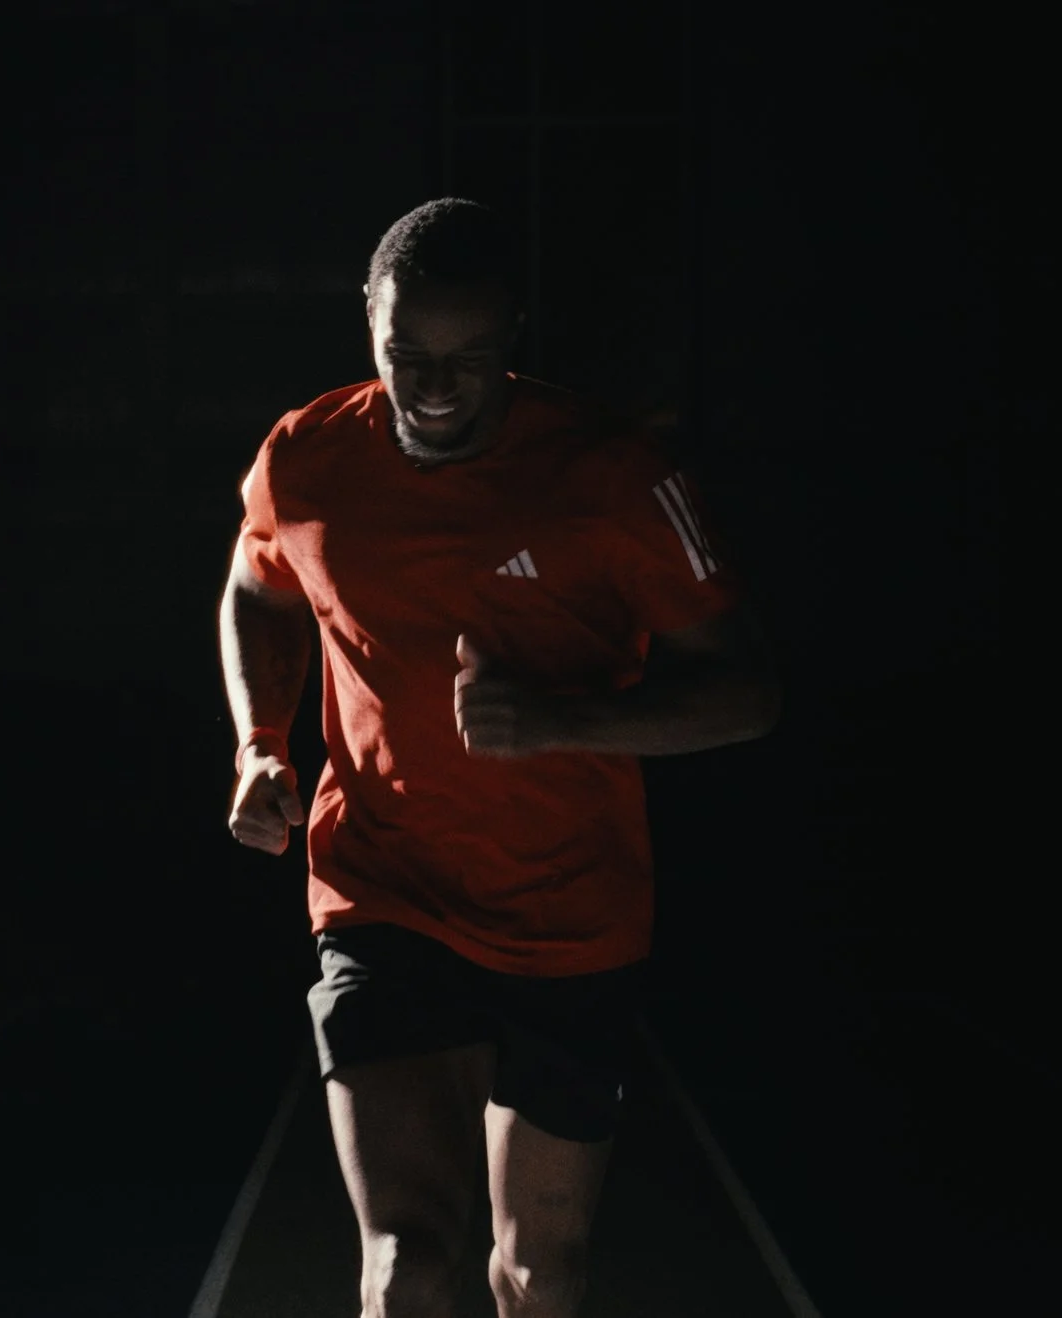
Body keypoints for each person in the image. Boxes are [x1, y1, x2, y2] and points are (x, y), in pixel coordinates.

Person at [217, 197, 783, 1318]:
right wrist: (257, 744)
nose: (432, 387)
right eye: (406, 356)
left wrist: (567, 721)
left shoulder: (610, 477)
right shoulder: (307, 456)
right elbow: (254, 587)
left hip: (566, 911)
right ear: (369, 325)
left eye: (467, 361)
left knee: (535, 1275)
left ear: (512, 339)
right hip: (381, 887)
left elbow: (750, 692)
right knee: (409, 1263)